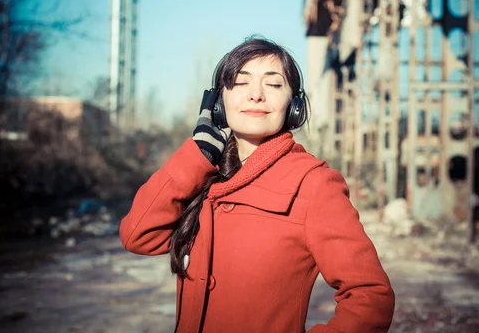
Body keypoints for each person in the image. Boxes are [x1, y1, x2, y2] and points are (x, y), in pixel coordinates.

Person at [119, 36, 395, 332]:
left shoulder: (314, 184)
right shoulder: (201, 175)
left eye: (274, 84)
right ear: (217, 101)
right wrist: (195, 157)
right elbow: (138, 236)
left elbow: (370, 297)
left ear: (295, 105)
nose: (256, 95)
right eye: (240, 82)